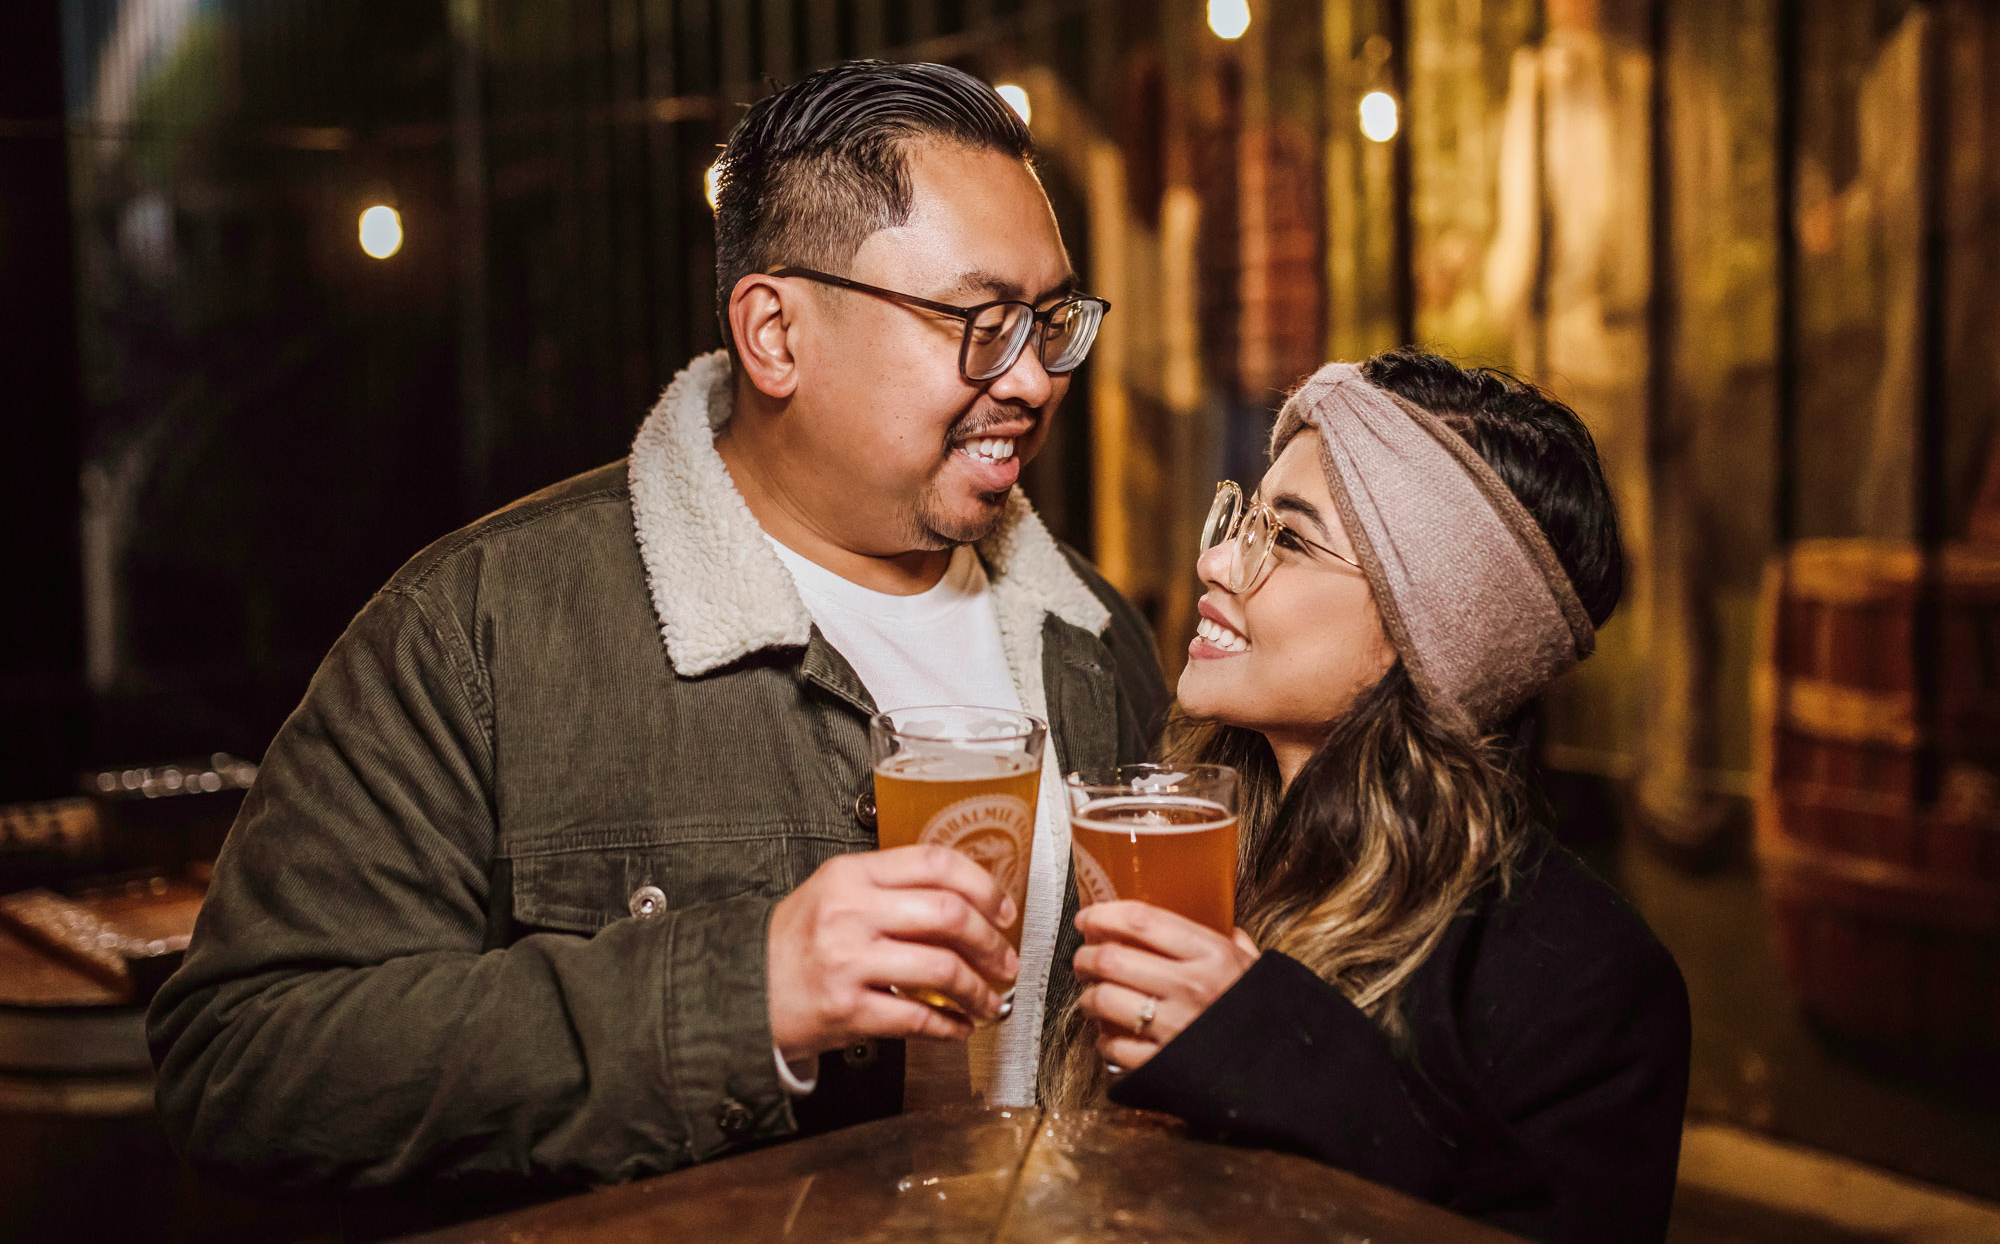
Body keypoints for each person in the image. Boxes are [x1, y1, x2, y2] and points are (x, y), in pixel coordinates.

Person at [147, 60, 1167, 1213]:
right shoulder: (483, 632)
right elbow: (243, 1064)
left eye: (1050, 322)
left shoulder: (1089, 635)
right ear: (774, 332)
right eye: (980, 323)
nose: (1033, 377)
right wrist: (746, 992)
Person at [1045, 350, 1691, 1244]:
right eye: (1245, 515)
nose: (1219, 559)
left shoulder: (1585, 984)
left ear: (1430, 636)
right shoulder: (1183, 844)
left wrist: (1280, 1057)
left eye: (1291, 540)